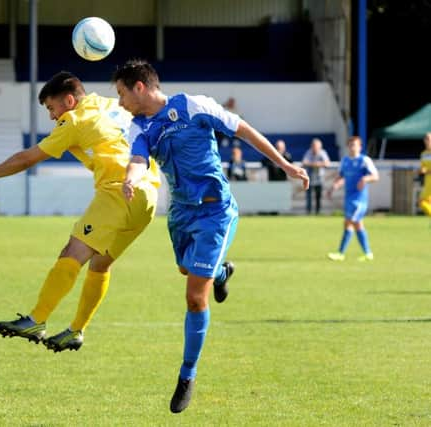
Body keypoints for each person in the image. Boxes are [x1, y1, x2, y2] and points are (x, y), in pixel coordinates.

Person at [112, 59, 309, 414]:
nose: (121, 102)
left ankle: (187, 375)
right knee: (189, 271)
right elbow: (139, 160)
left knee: (193, 296)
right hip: (181, 216)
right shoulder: (138, 127)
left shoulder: (193, 105)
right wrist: (132, 177)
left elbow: (243, 130)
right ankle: (222, 272)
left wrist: (284, 164)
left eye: (122, 93)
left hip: (215, 213)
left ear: (139, 87)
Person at [0, 71, 160, 352]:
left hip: (118, 191)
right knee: (101, 264)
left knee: (72, 253)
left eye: (52, 108)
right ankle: (76, 331)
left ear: (69, 100)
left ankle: (36, 319)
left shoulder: (74, 120)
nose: (53, 117)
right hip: (149, 193)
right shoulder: (112, 104)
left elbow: (28, 157)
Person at [327, 136, 379, 261]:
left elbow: (376, 176)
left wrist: (365, 179)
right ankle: (368, 254)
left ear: (360, 147)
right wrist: (334, 186)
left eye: (355, 145)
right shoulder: (345, 161)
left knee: (350, 223)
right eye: (350, 145)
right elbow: (341, 177)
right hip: (349, 198)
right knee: (356, 224)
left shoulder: (364, 160)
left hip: (359, 200)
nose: (352, 147)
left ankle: (341, 253)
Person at [302, 138, 330, 214]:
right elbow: (304, 162)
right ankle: (308, 212)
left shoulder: (322, 153)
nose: (315, 147)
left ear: (320, 147)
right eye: (313, 146)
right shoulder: (308, 152)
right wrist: (316, 164)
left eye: (316, 146)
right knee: (309, 196)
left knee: (318, 196)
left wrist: (315, 164)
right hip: (309, 178)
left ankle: (318, 212)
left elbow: (327, 163)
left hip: (319, 178)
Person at [418, 132, 431, 217]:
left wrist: (426, 171)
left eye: (429, 139)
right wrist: (421, 170)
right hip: (428, 181)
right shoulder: (423, 154)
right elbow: (422, 167)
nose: (427, 141)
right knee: (424, 202)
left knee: (422, 201)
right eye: (426, 139)